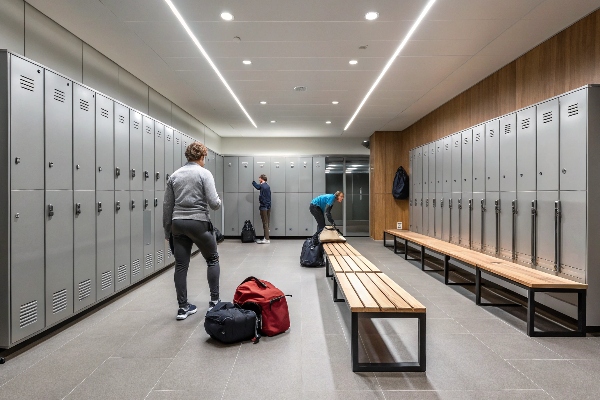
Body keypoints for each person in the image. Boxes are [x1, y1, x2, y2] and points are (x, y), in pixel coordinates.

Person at [163, 141, 222, 320]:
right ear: (202, 156)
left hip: (178, 224)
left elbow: (167, 206)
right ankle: (214, 302)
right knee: (212, 259)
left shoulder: (174, 176)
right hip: (198, 222)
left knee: (181, 265)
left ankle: (183, 307)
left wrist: (168, 232)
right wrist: (219, 201)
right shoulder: (204, 173)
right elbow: (214, 203)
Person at [252, 174, 271, 244]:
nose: (258, 179)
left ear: (262, 179)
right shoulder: (267, 186)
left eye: (259, 178)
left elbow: (257, 186)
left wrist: (253, 182)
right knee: (267, 222)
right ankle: (266, 237)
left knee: (265, 223)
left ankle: (266, 239)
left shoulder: (262, 185)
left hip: (264, 207)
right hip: (268, 206)